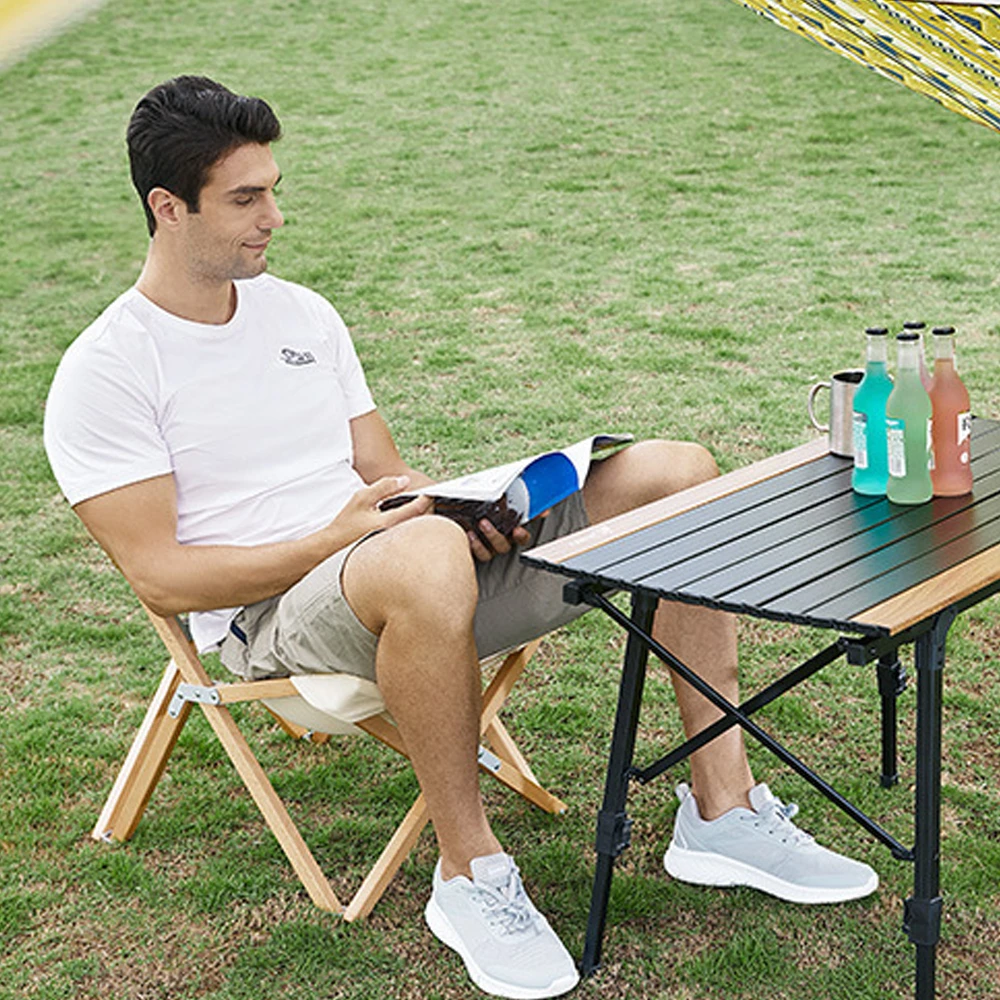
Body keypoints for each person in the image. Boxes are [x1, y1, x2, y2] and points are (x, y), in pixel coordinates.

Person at [43, 76, 878, 1000]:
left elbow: (386, 476)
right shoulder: (108, 370)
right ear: (168, 207)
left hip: (399, 568)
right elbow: (161, 579)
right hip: (270, 617)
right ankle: (469, 872)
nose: (274, 217)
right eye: (246, 199)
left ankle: (723, 810)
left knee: (675, 472)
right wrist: (341, 541)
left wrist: (458, 511)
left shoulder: (301, 314)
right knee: (421, 554)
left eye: (273, 190)